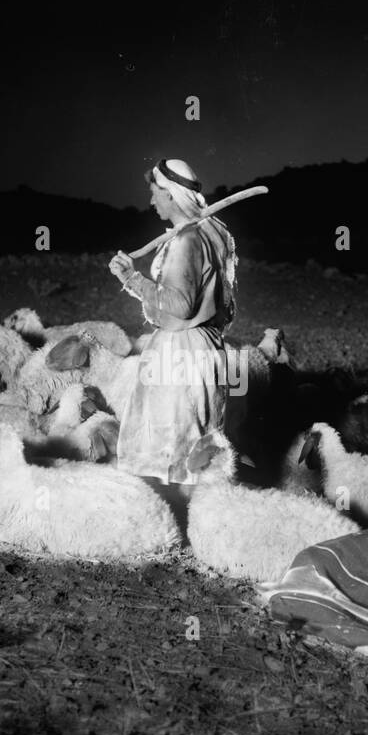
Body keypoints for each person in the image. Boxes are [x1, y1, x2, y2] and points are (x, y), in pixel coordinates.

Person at [108, 158, 238, 516]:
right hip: (205, 346)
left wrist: (132, 279)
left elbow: (178, 306)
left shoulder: (187, 240)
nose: (151, 202)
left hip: (179, 353)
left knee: (172, 444)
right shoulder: (213, 233)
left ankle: (172, 527)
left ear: (170, 194)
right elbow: (222, 304)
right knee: (195, 443)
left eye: (154, 194)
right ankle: (200, 526)